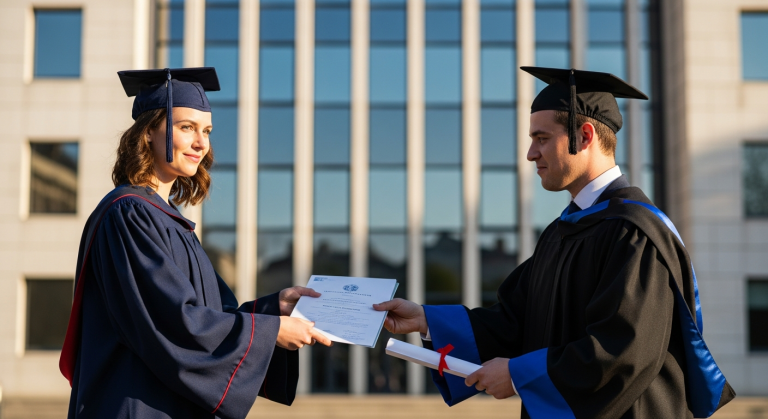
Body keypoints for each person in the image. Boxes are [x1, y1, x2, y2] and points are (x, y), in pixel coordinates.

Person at [374, 67, 735, 419]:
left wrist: (519, 374)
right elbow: (515, 321)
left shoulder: (634, 232)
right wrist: (426, 320)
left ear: (585, 135)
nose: (531, 153)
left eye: (542, 138)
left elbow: (622, 350)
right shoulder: (562, 232)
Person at [59, 67, 331, 419]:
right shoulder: (128, 214)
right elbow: (172, 321)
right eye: (186, 127)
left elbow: (209, 315)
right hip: (136, 405)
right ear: (148, 134)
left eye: (207, 131)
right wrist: (270, 333)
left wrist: (272, 309)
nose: (202, 143)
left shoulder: (166, 218)